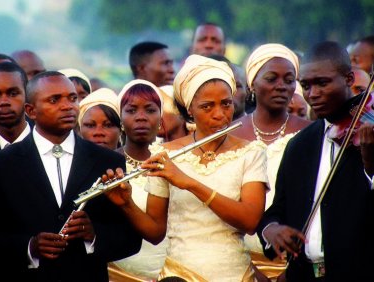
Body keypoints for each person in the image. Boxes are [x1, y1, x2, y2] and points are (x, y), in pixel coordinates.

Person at [106, 55, 268, 281]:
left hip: (235, 273)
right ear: (190, 109)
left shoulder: (251, 152)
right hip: (179, 275)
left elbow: (250, 221)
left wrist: (189, 183)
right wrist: (127, 204)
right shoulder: (166, 155)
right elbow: (155, 232)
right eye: (207, 106)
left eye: (226, 103)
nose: (219, 114)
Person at [0, 71, 142, 282]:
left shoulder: (108, 162)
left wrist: (94, 235)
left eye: (72, 98)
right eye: (54, 100)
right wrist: (29, 246)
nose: (67, 106)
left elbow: (130, 239)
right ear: (31, 110)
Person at [257, 41, 374, 281]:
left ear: (349, 79)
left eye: (322, 83)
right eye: (306, 86)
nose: (312, 94)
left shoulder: (368, 135)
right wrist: (272, 230)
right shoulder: (300, 144)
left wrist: (371, 166)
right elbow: (277, 210)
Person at [231, 43, 311, 281]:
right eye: (271, 78)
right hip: (237, 261)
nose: (281, 86)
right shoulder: (229, 134)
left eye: (289, 80)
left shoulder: (311, 133)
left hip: (298, 261)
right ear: (252, 85)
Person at [110, 79, 168, 280]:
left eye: (150, 110)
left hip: (172, 271)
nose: (141, 117)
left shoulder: (174, 161)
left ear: (161, 119)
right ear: (120, 119)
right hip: (118, 272)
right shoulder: (107, 164)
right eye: (132, 110)